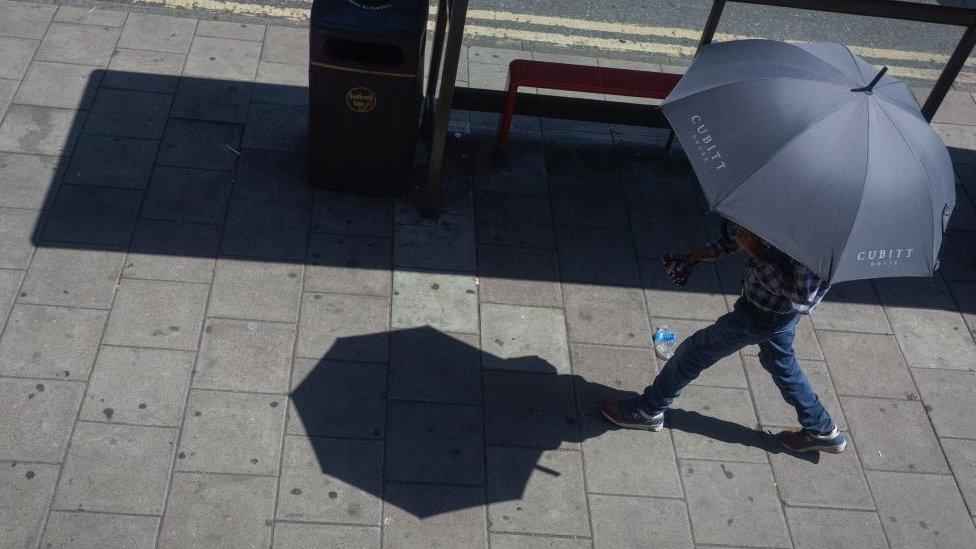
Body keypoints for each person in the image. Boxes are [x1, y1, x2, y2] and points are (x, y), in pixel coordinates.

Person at [601, 224, 847, 453]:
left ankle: (648, 410)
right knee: (782, 365)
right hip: (766, 312)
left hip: (761, 316)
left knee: (693, 353)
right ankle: (821, 428)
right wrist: (711, 250)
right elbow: (750, 232)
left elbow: (803, 296)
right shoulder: (786, 202)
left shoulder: (820, 238)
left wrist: (759, 254)